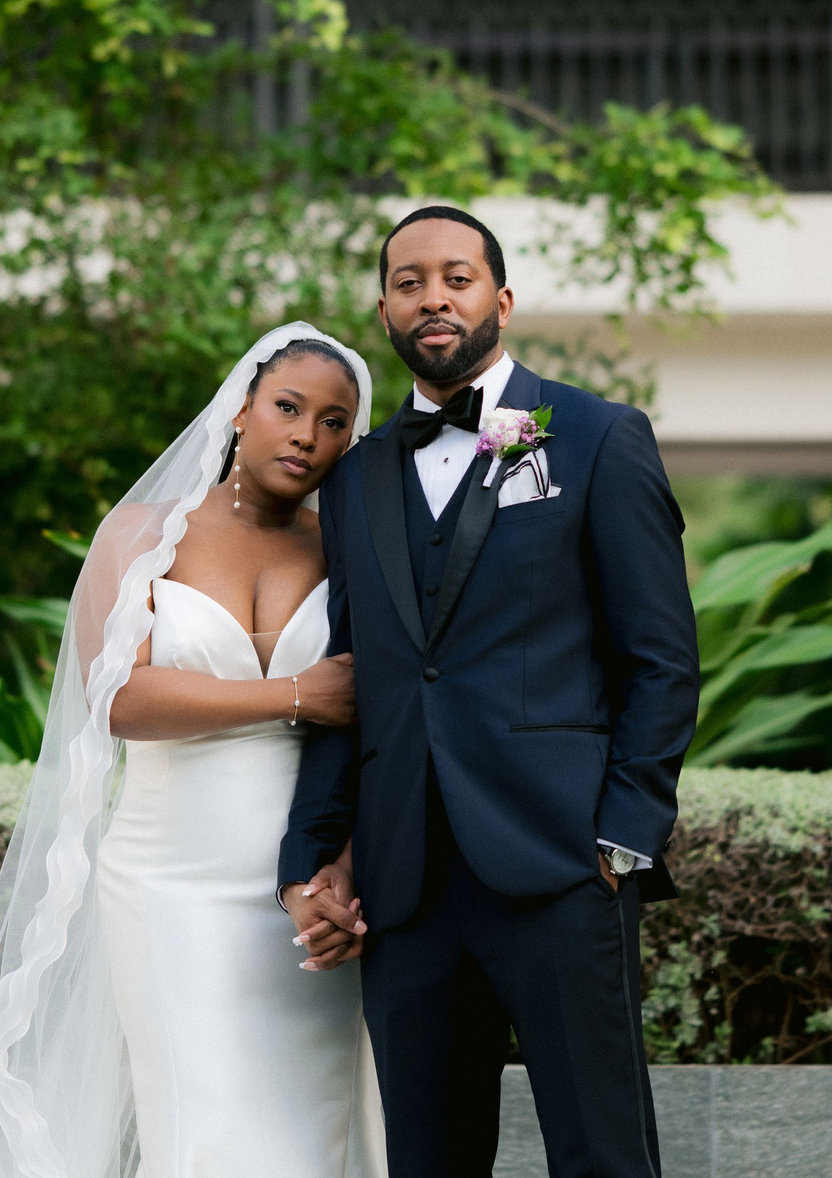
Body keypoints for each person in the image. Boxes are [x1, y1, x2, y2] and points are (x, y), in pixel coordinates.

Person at [280, 205, 701, 1178]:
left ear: (500, 301)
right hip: (406, 884)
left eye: (456, 278)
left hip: (561, 864)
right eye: (409, 281)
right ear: (384, 309)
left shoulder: (592, 435)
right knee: (428, 1159)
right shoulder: (355, 476)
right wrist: (311, 854)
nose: (433, 297)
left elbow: (660, 655)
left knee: (601, 1155)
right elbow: (353, 678)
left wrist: (621, 835)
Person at [0, 324, 386, 1178]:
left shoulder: (347, 552)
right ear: (240, 409)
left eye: (334, 423)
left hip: (308, 884)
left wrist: (340, 869)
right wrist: (296, 694)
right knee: (200, 1129)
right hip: (171, 879)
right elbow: (118, 699)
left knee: (315, 1132)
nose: (307, 436)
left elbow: (377, 730)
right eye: (288, 408)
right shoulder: (142, 534)